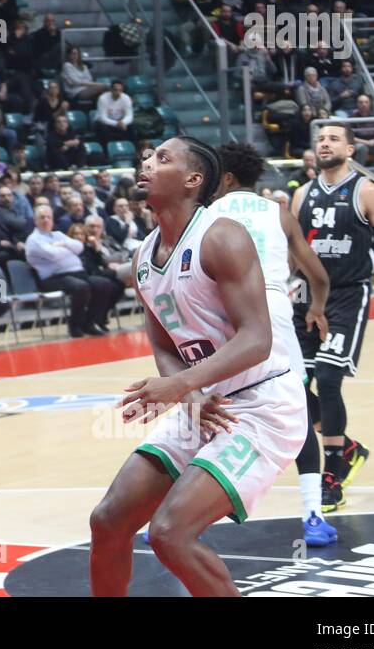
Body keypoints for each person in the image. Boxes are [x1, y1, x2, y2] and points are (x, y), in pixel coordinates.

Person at [89, 138, 306, 597]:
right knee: (108, 520)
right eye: (148, 157)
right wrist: (188, 396)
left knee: (170, 534)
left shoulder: (222, 235)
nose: (147, 163)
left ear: (194, 180)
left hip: (262, 405)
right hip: (204, 403)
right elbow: (165, 341)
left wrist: (181, 386)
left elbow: (257, 340)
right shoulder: (144, 255)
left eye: (162, 159)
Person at [212, 143, 336, 546]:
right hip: (273, 312)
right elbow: (318, 276)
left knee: (204, 408)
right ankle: (314, 516)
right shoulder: (279, 214)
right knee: (297, 410)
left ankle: (171, 514)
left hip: (222, 313)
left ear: (226, 178)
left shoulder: (206, 215)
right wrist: (316, 309)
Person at [291, 125, 374, 513]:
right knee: (291, 388)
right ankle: (349, 448)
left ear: (350, 148)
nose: (325, 144)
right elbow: (291, 253)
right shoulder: (300, 195)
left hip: (347, 295)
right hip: (307, 297)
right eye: (320, 139)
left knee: (327, 378)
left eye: (333, 139)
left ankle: (333, 473)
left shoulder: (366, 192)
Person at [25, 206, 113, 337]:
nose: (46, 220)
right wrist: (67, 248)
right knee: (80, 287)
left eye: (48, 217)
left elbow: (79, 246)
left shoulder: (58, 235)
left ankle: (88, 323)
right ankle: (74, 325)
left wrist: (63, 245)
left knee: (104, 284)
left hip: (77, 273)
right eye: (42, 217)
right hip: (53, 278)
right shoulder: (34, 240)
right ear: (35, 220)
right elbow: (53, 254)